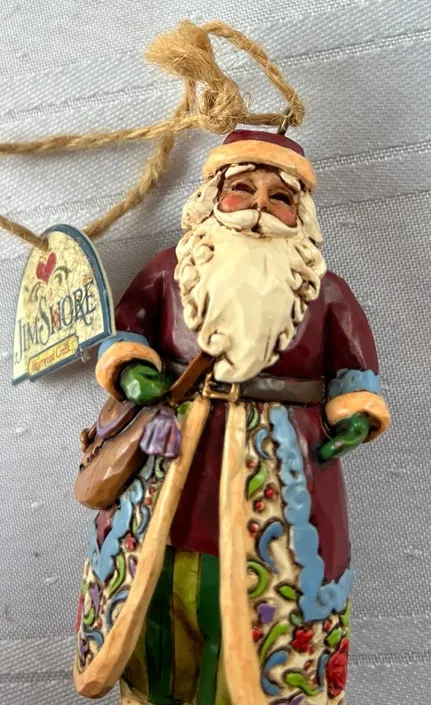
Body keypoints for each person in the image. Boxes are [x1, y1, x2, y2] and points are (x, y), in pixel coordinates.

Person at [74, 130, 390, 705]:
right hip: (166, 457)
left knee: (263, 607)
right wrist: (132, 370)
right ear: (214, 197)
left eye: (279, 195)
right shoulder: (171, 269)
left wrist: (354, 417)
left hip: (283, 470)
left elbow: (355, 370)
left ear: (300, 211)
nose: (260, 203)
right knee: (153, 604)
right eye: (243, 188)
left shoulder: (324, 291)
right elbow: (127, 327)